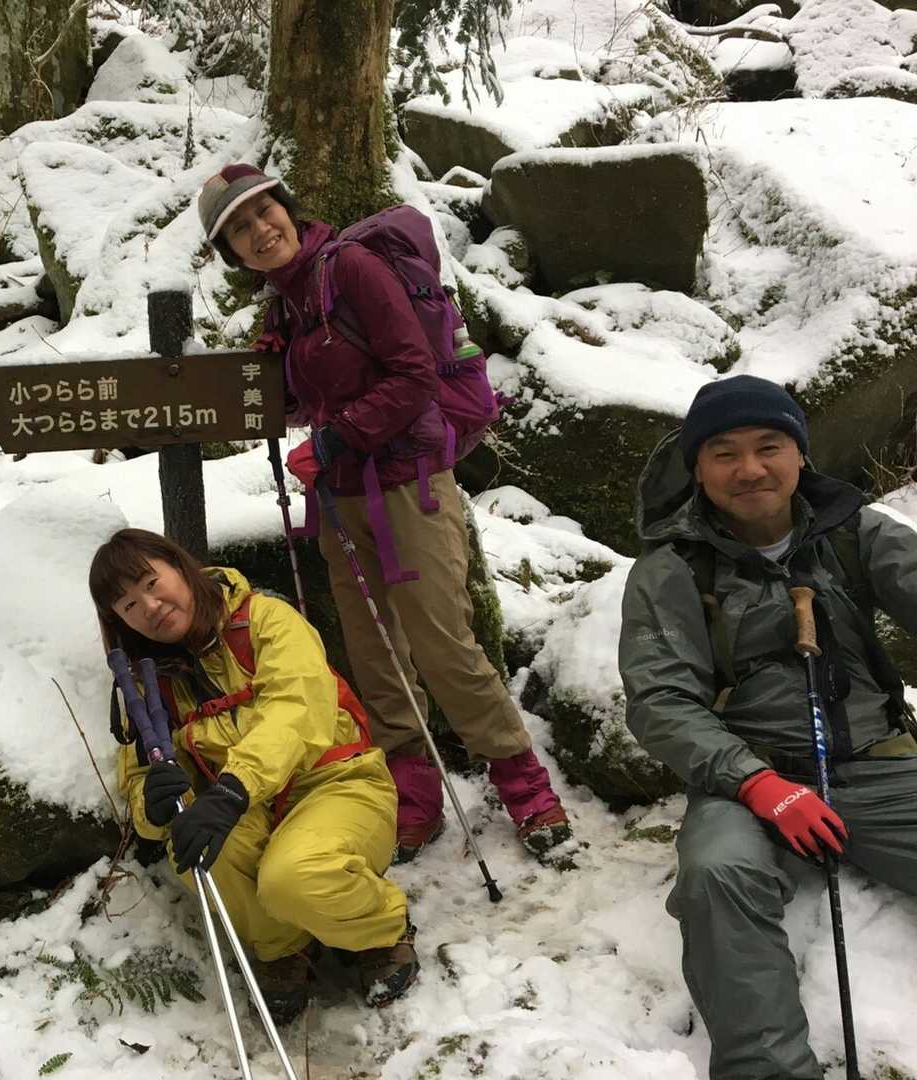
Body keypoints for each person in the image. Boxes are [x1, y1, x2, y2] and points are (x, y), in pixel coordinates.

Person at [196, 163, 571, 862]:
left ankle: (522, 780)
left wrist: (335, 436)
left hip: (409, 483)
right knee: (375, 651)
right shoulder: (284, 306)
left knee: (442, 642)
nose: (259, 230)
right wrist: (281, 382)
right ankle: (414, 785)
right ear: (232, 253)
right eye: (239, 229)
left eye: (263, 211)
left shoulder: (352, 268)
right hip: (340, 496)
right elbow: (316, 396)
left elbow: (413, 373)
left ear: (286, 207)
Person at [620, 374, 917, 1079]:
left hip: (877, 759)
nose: (749, 469)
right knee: (717, 876)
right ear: (697, 468)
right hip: (748, 780)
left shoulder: (854, 535)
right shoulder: (672, 569)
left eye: (768, 446)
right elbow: (660, 700)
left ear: (800, 454)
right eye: (723, 453)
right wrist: (758, 785)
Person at [91, 528, 419, 1024]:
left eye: (152, 583)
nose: (150, 607)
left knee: (296, 877)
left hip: (335, 783)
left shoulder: (265, 621)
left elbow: (296, 709)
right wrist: (151, 808)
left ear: (180, 567)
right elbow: (139, 774)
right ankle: (283, 947)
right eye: (129, 605)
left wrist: (233, 788)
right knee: (191, 846)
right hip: (247, 807)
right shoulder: (146, 684)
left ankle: (380, 931)